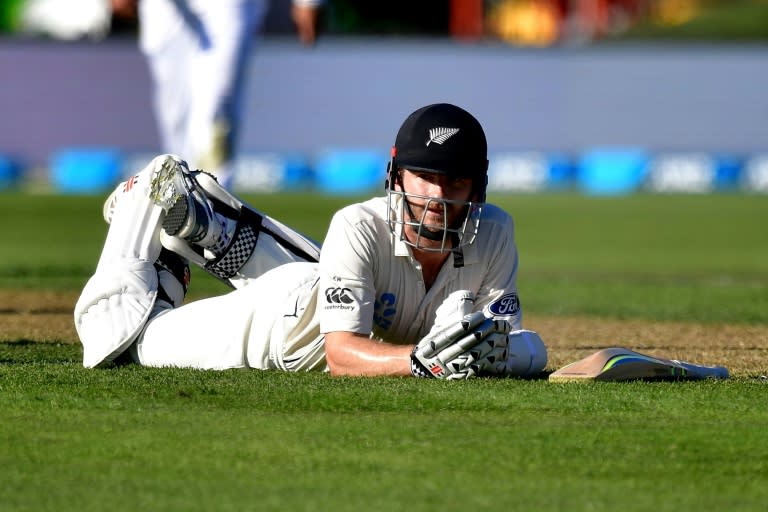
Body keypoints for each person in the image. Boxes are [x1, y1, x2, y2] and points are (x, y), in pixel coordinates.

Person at [75, 103, 548, 379]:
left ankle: (206, 223)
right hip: (270, 328)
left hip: (320, 281)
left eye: (456, 182)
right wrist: (422, 361)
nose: (438, 195)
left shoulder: (495, 232)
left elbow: (490, 341)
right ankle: (143, 205)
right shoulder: (357, 225)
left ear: (479, 188)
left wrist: (518, 354)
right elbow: (342, 355)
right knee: (122, 341)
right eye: (424, 176)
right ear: (396, 176)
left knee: (326, 281)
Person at [110, 0, 324, 189]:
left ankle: (215, 208)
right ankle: (179, 202)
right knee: (175, 114)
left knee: (216, 108)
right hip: (166, 7)